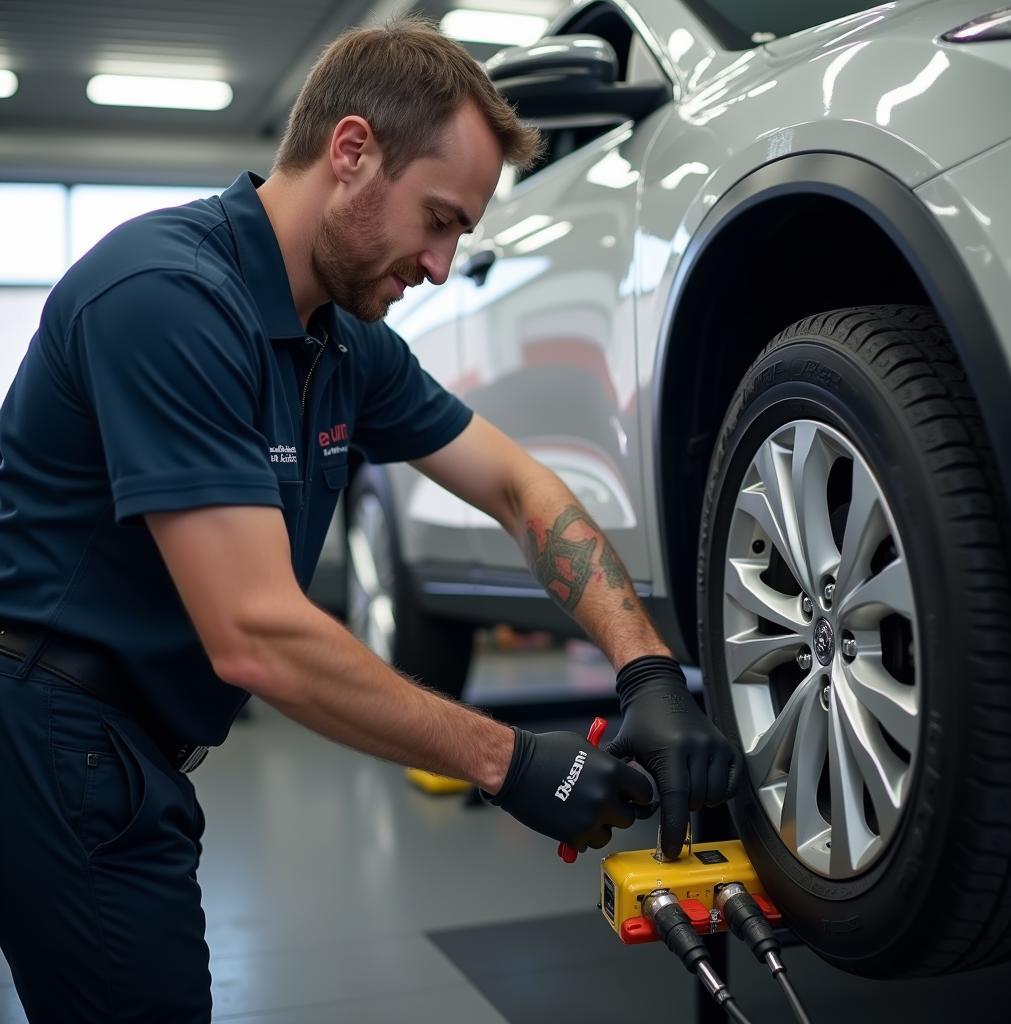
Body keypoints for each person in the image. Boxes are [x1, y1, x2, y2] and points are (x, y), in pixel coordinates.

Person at [0, 17, 741, 1023]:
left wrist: (647, 668)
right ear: (350, 152)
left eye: (459, 235)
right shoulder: (169, 299)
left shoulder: (342, 340)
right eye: (436, 219)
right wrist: (507, 757)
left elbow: (520, 488)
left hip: (118, 743)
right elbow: (257, 635)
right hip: (45, 729)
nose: (440, 265)